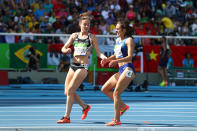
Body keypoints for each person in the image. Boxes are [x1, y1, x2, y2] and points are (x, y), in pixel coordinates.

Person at [57, 11, 107, 123]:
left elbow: (98, 52)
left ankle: (67, 117)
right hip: (73, 65)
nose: (86, 26)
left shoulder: (92, 37)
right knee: (67, 92)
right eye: (84, 24)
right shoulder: (74, 35)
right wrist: (66, 50)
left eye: (88, 25)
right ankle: (85, 106)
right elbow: (63, 48)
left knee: (70, 90)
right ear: (80, 24)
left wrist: (104, 58)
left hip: (82, 67)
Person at [101, 20, 135, 126]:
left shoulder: (129, 40)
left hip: (128, 69)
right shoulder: (117, 40)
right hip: (121, 70)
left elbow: (130, 57)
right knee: (104, 89)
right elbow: (116, 55)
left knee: (116, 93)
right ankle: (123, 106)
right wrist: (107, 59)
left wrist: (116, 61)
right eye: (115, 29)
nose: (116, 30)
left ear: (124, 30)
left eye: (118, 29)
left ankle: (117, 120)